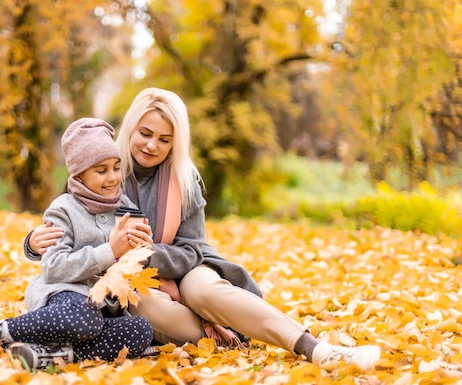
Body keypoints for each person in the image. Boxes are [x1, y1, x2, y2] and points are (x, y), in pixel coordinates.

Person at [23, 88, 381, 369]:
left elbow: (192, 250)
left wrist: (141, 254)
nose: (152, 145)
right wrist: (33, 243)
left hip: (185, 266)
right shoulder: (104, 168)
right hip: (133, 284)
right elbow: (67, 216)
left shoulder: (184, 179)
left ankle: (314, 348)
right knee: (147, 308)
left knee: (206, 293)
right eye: (145, 133)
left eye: (165, 140)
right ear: (130, 128)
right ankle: (228, 329)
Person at [0, 118, 154, 369]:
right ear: (80, 173)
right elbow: (54, 267)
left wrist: (141, 253)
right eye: (101, 170)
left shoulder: (127, 208)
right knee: (84, 319)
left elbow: (133, 270)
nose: (113, 178)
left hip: (105, 307)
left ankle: (43, 355)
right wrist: (110, 250)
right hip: (64, 297)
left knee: (140, 330)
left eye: (117, 168)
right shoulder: (63, 208)